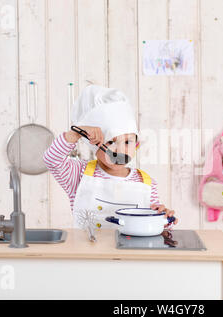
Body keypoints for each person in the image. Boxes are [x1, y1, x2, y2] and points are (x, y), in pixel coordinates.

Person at [43, 84, 177, 229]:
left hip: (129, 251)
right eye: (111, 141)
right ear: (94, 144)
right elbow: (52, 160)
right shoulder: (78, 174)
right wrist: (76, 133)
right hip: (87, 250)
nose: (120, 150)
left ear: (136, 145)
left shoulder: (147, 183)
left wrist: (164, 218)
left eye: (127, 142)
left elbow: (153, 224)